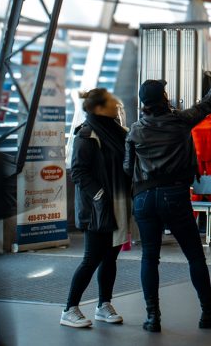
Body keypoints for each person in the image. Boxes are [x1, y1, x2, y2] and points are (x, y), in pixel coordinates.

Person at [125, 68, 211, 333]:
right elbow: (208, 103)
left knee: (149, 258)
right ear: (163, 97)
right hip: (174, 194)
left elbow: (128, 168)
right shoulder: (181, 121)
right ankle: (208, 311)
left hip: (143, 199)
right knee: (195, 256)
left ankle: (153, 318)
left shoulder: (135, 131)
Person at [61, 89, 132, 329]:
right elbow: (79, 172)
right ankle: (69, 309)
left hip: (118, 203)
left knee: (110, 257)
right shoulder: (87, 134)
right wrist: (100, 195)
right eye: (112, 102)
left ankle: (104, 304)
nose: (117, 105)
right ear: (99, 108)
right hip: (97, 208)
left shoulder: (119, 132)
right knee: (91, 258)